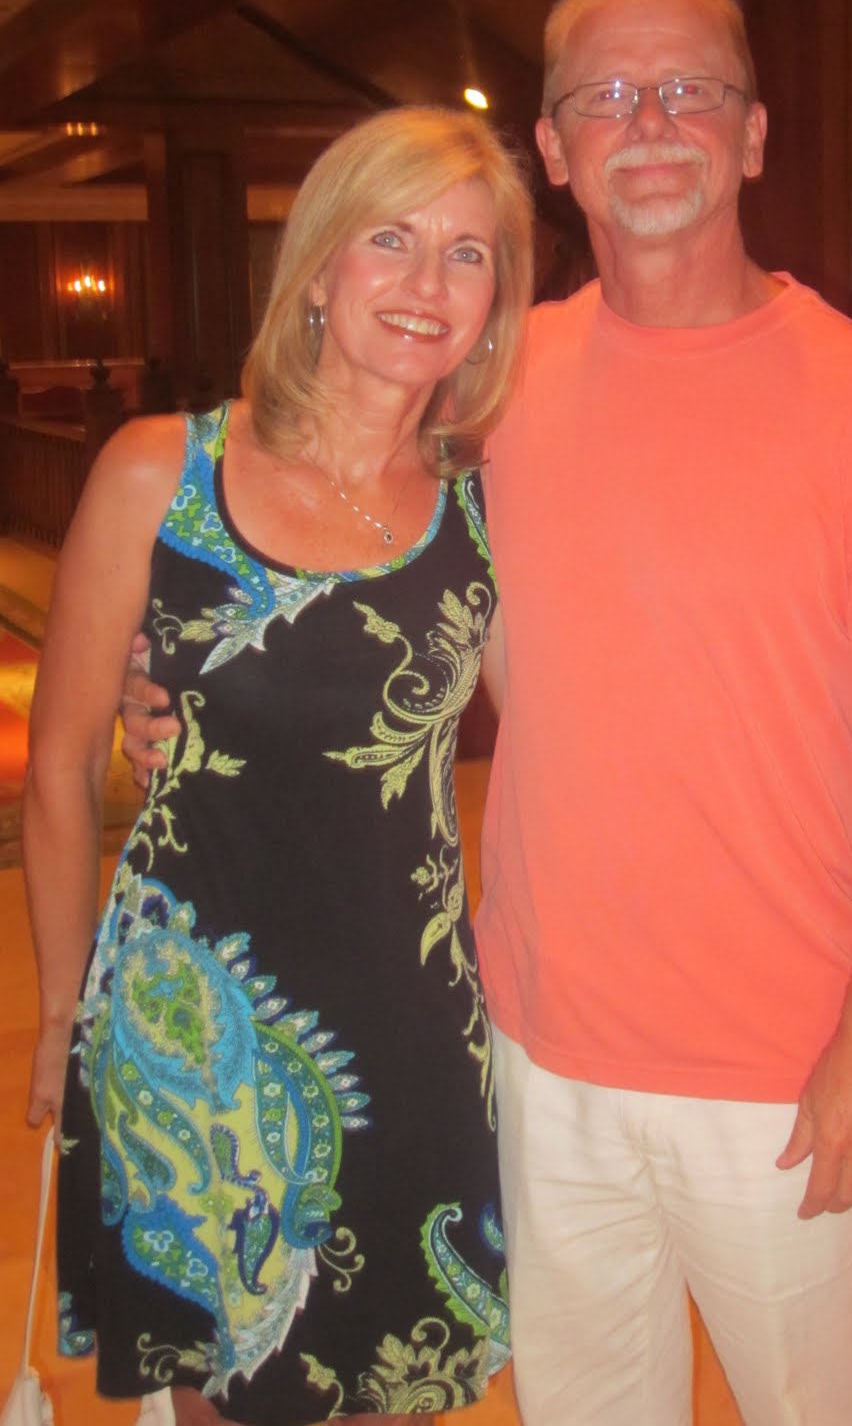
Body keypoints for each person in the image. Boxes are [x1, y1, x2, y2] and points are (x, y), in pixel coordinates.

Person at [124, 0, 852, 1424]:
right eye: (605, 96)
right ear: (552, 148)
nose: (648, 123)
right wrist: (170, 678)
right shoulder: (493, 386)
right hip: (534, 1059)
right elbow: (332, 552)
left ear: (753, 134)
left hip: (782, 1075)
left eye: (689, 91)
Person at [23, 106, 533, 1426]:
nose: (427, 284)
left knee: (394, 1390)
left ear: (497, 301)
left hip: (411, 1030)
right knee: (227, 1398)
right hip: (191, 1038)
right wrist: (64, 1011)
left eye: (467, 254)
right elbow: (60, 767)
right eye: (390, 239)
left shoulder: (486, 509)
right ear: (318, 266)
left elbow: (574, 729)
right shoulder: (165, 472)